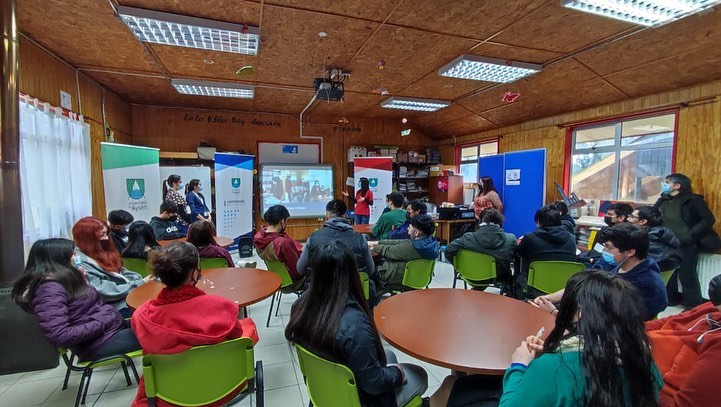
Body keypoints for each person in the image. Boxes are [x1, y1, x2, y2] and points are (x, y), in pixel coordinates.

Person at [437, 271, 661, 407]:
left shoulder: (555, 367)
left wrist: (519, 364)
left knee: (456, 386)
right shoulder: (644, 359)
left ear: (579, 312)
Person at [285, 241, 428, 407]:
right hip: (358, 400)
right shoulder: (353, 323)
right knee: (419, 374)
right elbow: (374, 383)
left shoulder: (300, 306)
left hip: (325, 390)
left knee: (389, 355)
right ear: (352, 273)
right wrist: (397, 373)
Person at [130, 242, 258, 407]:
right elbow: (237, 334)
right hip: (224, 388)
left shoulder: (142, 317)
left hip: (168, 396)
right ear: (193, 274)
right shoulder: (221, 307)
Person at [11, 238, 142, 362]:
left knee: (155, 322)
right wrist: (102, 322)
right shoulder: (49, 289)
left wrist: (81, 281)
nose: (75, 258)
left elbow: (82, 307)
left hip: (109, 331)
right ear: (58, 259)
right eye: (72, 254)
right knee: (160, 335)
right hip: (99, 343)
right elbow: (59, 335)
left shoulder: (63, 280)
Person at [537, 223, 668, 321]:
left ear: (630, 252)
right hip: (581, 313)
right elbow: (585, 282)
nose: (604, 251)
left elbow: (606, 324)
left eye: (609, 248)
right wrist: (549, 298)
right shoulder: (619, 264)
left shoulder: (648, 286)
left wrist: (555, 313)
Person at [645, 274, 721, 407]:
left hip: (652, 385)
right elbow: (671, 320)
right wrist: (628, 331)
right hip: (644, 358)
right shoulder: (712, 307)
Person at [656, 173, 720, 309]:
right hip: (667, 242)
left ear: (677, 185)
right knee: (669, 272)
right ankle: (670, 300)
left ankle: (692, 306)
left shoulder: (693, 200)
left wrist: (691, 235)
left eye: (667, 182)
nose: (664, 184)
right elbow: (653, 215)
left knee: (687, 274)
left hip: (686, 243)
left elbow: (708, 219)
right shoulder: (663, 199)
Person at [73, 217, 148, 316]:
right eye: (102, 235)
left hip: (126, 293)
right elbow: (103, 292)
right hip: (112, 306)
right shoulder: (80, 263)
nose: (106, 238)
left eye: (106, 234)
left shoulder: (101, 251)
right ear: (88, 238)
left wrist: (138, 280)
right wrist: (138, 284)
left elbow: (120, 271)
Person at [444, 208, 517, 286]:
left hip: (469, 275)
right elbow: (515, 257)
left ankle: (477, 290)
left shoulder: (467, 238)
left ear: (480, 222)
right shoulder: (510, 239)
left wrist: (460, 267)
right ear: (500, 223)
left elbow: (448, 250)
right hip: (499, 278)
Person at [369, 214, 439, 294]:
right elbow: (399, 242)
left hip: (397, 279)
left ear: (416, 233)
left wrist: (372, 247)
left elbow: (388, 250)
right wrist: (376, 242)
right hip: (416, 278)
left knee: (370, 268)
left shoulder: (411, 247)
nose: (408, 227)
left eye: (410, 226)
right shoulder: (429, 242)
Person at [515, 205, 577, 289]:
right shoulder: (571, 239)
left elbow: (518, 252)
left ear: (539, 222)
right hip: (563, 289)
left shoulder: (530, 238)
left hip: (535, 286)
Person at [254, 205, 306, 292]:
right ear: (282, 221)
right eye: (286, 221)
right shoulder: (282, 243)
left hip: (277, 279)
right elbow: (297, 270)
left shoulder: (258, 237)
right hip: (292, 283)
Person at [625, 205, 681, 272]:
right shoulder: (663, 234)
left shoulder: (646, 240)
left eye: (632, 217)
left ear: (643, 222)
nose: (628, 219)